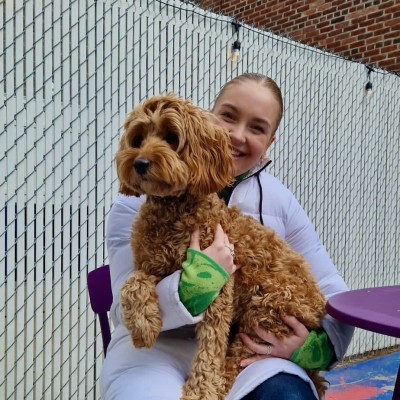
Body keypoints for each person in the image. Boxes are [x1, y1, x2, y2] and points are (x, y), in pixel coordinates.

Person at [100, 73, 354, 400]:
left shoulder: (281, 202)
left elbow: (332, 289)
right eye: (229, 117)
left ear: (270, 142)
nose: (237, 135)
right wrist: (190, 289)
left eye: (257, 128)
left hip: (246, 345)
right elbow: (125, 310)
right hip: (158, 349)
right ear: (206, 118)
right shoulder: (133, 204)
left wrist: (312, 349)